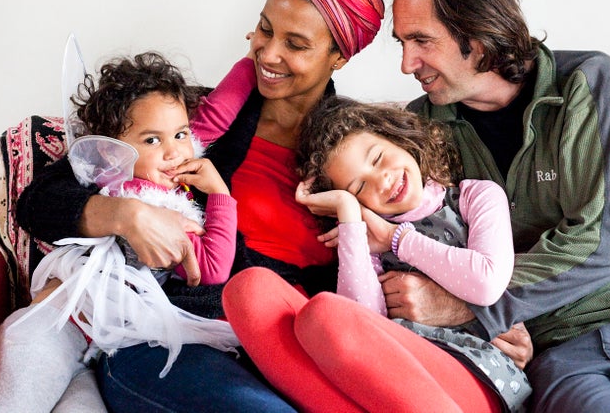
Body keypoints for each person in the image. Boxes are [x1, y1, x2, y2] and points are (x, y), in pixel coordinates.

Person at [15, 0, 385, 412]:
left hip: (289, 348)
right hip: (170, 339)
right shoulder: (186, 122)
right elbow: (40, 201)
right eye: (264, 30)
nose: (267, 55)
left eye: (295, 44)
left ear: (339, 57)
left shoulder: (358, 152)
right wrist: (126, 215)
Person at [385, 0, 610, 412]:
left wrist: (472, 306)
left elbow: (602, 245)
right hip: (561, 353)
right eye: (402, 43)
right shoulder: (421, 128)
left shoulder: (589, 84)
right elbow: (419, 250)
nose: (407, 63)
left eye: (421, 41)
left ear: (478, 35)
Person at [0, 51, 254, 413]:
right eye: (152, 140)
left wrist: (256, 60)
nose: (173, 151)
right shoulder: (137, 192)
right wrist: (220, 196)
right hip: (56, 326)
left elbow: (218, 111)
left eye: (181, 133)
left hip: (95, 356)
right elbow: (212, 267)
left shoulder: (173, 165)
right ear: (112, 151)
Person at [222, 95, 531, 412]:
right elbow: (363, 322)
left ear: (400, 139)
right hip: (386, 377)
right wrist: (349, 216)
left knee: (325, 315)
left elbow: (486, 283)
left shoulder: (473, 196)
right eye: (358, 188)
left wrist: (395, 238)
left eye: (378, 157)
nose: (382, 180)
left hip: (473, 371)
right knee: (249, 290)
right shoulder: (365, 237)